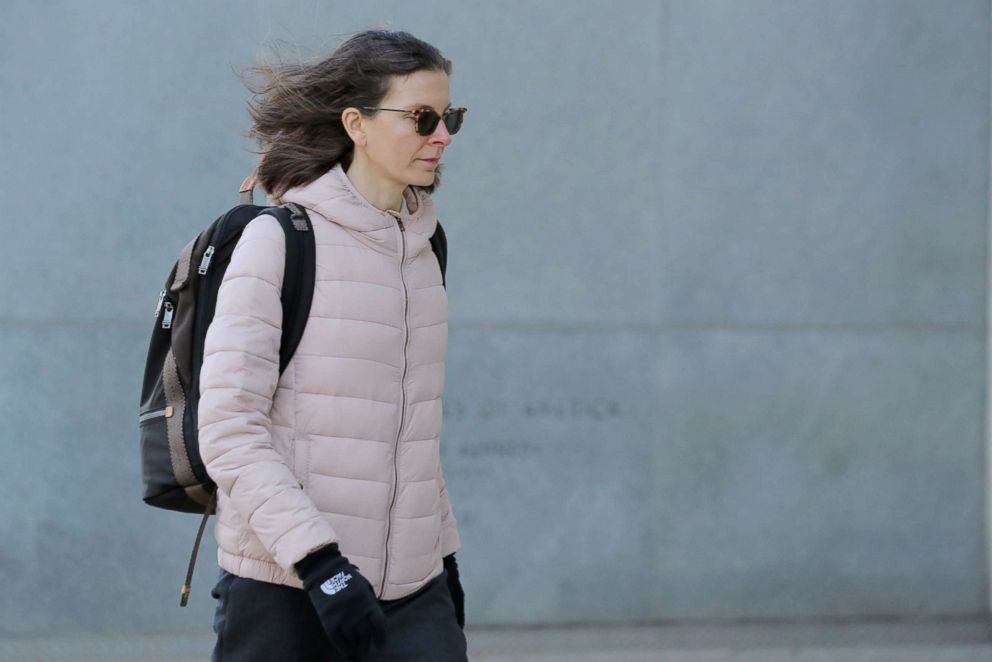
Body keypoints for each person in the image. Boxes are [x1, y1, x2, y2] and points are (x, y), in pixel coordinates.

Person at [197, 29, 468, 661]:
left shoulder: (425, 249)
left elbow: (413, 432)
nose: (443, 135)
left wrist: (444, 560)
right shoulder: (281, 241)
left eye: (450, 116)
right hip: (288, 589)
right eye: (422, 118)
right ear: (357, 124)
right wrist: (322, 565)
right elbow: (230, 429)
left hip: (413, 590)